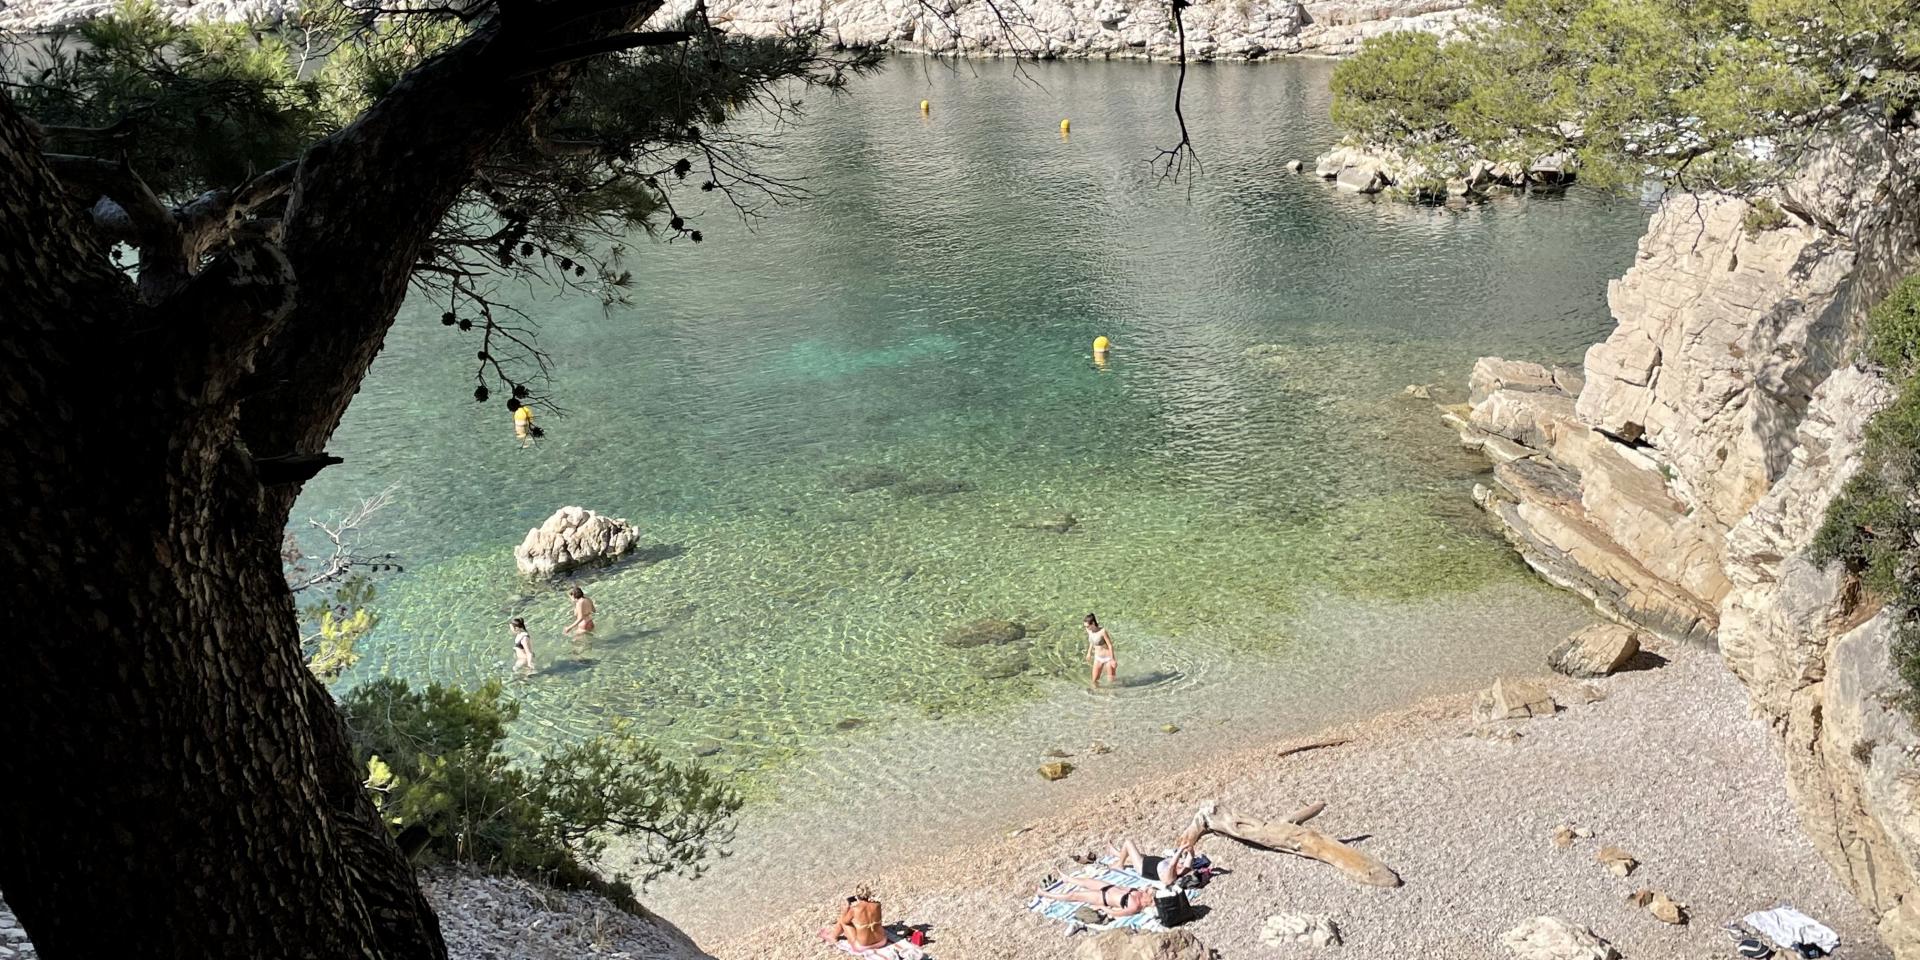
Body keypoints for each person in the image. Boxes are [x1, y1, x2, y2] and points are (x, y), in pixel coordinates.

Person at [1037, 875, 1151, 918]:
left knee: (1074, 895)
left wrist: (1102, 908)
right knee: (1087, 881)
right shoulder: (1141, 892)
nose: (1150, 894)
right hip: (1110, 887)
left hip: (1103, 898)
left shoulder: (1135, 906)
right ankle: (1068, 879)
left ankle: (1044, 894)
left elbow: (1116, 913)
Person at [822, 884, 889, 950]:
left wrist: (846, 909)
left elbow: (845, 922)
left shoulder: (855, 909)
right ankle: (833, 935)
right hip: (881, 941)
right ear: (868, 894)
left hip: (863, 945)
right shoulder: (877, 905)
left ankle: (833, 936)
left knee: (842, 921)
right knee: (864, 924)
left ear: (856, 896)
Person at [1084, 613, 1117, 690]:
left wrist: (1113, 659)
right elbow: (1091, 641)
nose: (1086, 628)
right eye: (1085, 626)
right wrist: (1089, 653)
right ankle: (1096, 695)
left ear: (1093, 623)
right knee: (1094, 680)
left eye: (1087, 626)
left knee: (1111, 681)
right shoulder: (1089, 631)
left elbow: (1110, 645)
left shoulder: (1102, 631)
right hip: (1098, 658)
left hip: (1108, 658)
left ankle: (1111, 696)